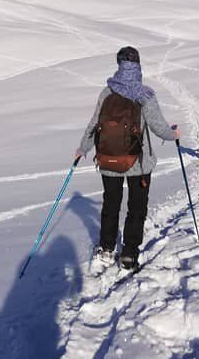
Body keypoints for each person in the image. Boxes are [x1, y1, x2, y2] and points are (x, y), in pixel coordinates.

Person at [76, 46, 179, 270]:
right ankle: (129, 253)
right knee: (136, 208)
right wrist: (174, 134)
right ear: (138, 64)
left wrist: (83, 148)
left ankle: (106, 249)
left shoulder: (107, 92)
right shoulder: (145, 94)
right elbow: (159, 128)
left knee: (111, 205)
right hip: (139, 163)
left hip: (108, 160)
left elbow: (95, 123)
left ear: (119, 64)